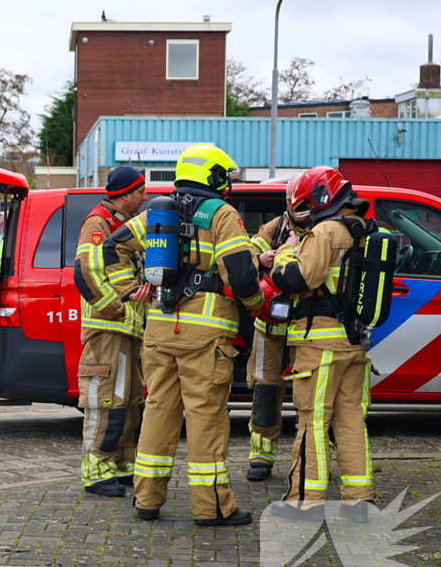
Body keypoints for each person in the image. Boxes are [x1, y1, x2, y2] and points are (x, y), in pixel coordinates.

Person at [101, 143, 263, 526]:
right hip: (205, 338)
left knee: (158, 412)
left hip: (158, 330)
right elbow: (240, 274)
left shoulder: (158, 211)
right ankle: (213, 509)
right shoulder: (221, 213)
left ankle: (147, 500)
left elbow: (113, 246)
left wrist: (128, 290)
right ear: (215, 176)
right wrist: (256, 302)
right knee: (205, 418)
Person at [269, 166, 375, 523]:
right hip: (353, 343)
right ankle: (358, 500)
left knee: (313, 421)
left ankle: (307, 502)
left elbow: (299, 279)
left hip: (320, 345)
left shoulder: (324, 231)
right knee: (350, 420)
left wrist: (285, 254)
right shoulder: (363, 230)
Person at [72, 166, 146, 497]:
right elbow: (84, 272)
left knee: (128, 401)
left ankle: (121, 463)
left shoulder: (118, 224)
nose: (145, 197)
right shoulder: (98, 224)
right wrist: (116, 308)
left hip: (126, 328)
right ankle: (96, 470)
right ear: (126, 194)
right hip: (109, 327)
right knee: (106, 400)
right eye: (140, 192)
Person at [243, 174, 311, 481]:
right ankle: (261, 456)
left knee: (309, 396)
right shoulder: (275, 228)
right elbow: (243, 258)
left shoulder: (324, 229)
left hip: (307, 325)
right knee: (265, 391)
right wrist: (261, 258)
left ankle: (309, 456)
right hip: (268, 326)